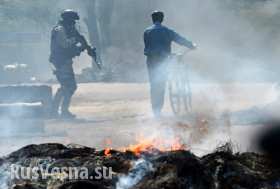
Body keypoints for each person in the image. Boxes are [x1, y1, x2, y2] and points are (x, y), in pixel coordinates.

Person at [144, 11, 197, 117]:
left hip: (151, 60)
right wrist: (191, 45)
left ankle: (156, 111)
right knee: (162, 83)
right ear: (162, 19)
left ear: (152, 19)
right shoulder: (167, 31)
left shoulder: (147, 32)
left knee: (154, 85)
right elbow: (180, 40)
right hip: (163, 60)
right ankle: (159, 109)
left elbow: (148, 45)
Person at [49, 9, 92, 119]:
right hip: (61, 62)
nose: (74, 24)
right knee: (69, 86)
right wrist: (75, 41)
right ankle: (58, 111)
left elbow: (79, 40)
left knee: (68, 86)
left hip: (64, 61)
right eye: (72, 21)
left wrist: (84, 46)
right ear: (68, 20)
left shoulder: (67, 29)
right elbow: (64, 44)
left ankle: (57, 110)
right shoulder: (60, 30)